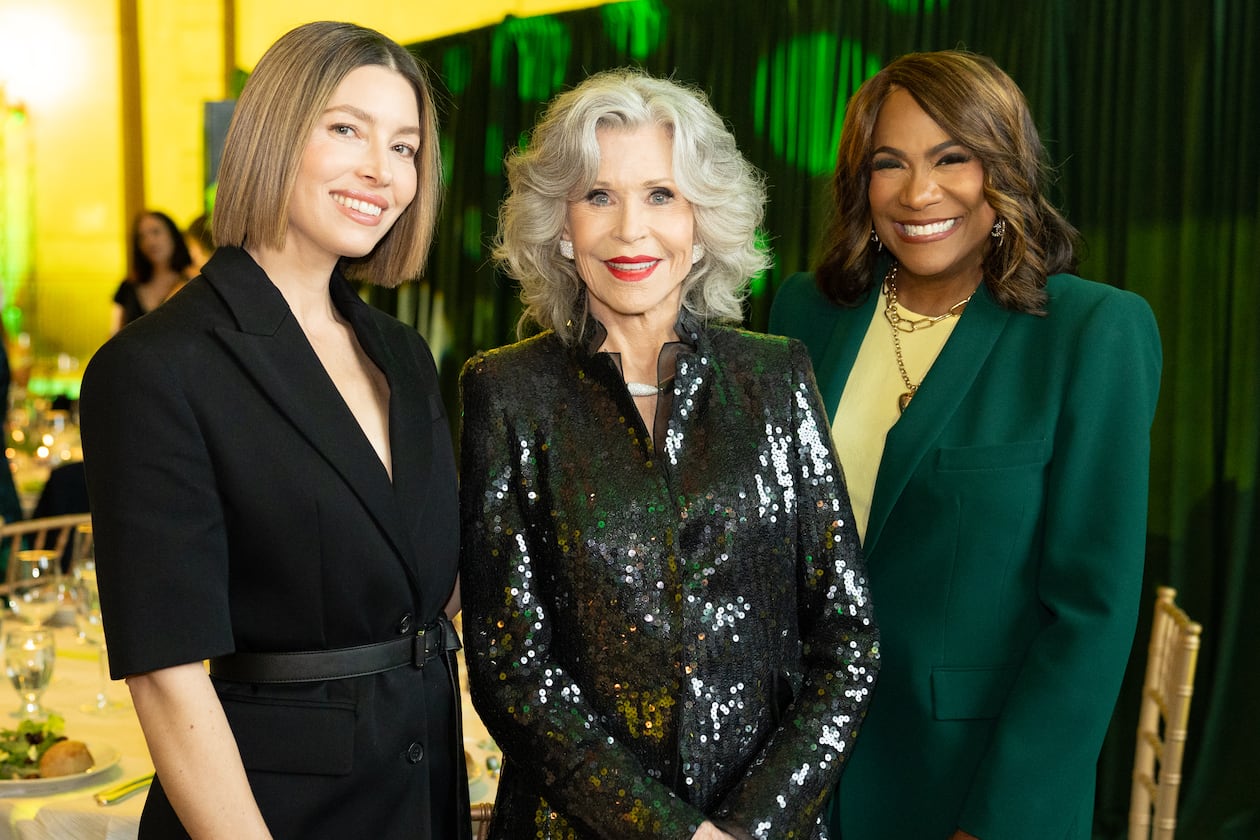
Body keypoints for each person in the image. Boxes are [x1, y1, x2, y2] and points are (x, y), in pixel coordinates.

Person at [459, 69, 879, 840]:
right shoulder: (507, 394)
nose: (630, 230)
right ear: (560, 225)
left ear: (702, 221)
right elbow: (511, 668)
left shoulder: (776, 376)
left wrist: (748, 828)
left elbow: (846, 643)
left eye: (661, 195)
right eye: (598, 196)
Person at [79, 21, 468, 840]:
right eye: (346, 130)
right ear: (274, 132)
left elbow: (429, 583)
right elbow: (167, 679)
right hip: (268, 812)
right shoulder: (156, 367)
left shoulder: (400, 351)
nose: (382, 171)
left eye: (405, 148)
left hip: (421, 794)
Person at [769, 50, 1162, 839]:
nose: (919, 193)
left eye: (954, 158)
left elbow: (1091, 616)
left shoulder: (1092, 333)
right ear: (861, 182)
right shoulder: (804, 314)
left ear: (1006, 169)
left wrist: (999, 823)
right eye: (891, 164)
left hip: (969, 789)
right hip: (796, 781)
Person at [110, 210, 194, 334]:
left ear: (172, 234)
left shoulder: (193, 282)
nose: (149, 242)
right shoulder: (129, 286)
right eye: (141, 237)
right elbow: (114, 334)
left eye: (156, 232)